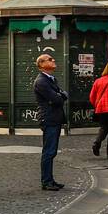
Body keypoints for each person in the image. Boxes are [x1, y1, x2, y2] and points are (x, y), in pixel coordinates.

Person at [34, 53, 68, 191]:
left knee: (51, 151)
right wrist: (61, 96)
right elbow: (58, 99)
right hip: (49, 119)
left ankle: (50, 180)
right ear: (42, 64)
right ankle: (46, 181)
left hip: (54, 118)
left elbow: (60, 95)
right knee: (49, 151)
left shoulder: (51, 79)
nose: (53, 60)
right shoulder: (41, 81)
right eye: (50, 59)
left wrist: (60, 95)